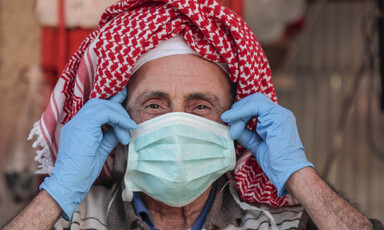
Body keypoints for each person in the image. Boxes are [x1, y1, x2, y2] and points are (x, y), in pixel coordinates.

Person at [3, 0, 383, 229]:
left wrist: (302, 178)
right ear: (117, 121)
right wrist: (59, 192)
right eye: (155, 104)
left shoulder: (277, 222)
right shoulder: (73, 220)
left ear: (234, 122)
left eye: (201, 106)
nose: (178, 122)